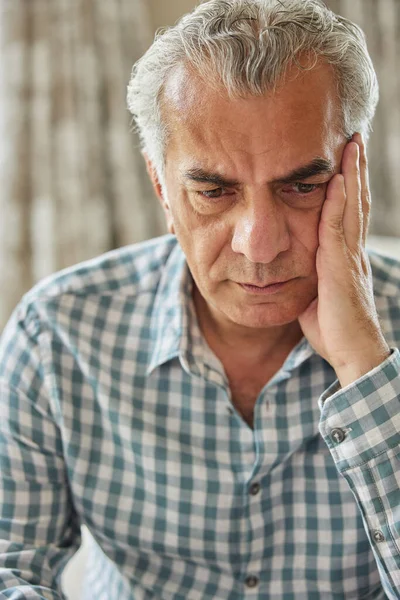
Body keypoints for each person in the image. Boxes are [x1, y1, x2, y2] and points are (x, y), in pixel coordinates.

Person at [1, 0, 399, 597]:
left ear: (355, 177)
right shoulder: (58, 331)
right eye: (214, 192)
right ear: (162, 187)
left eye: (302, 187)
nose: (258, 245)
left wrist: (366, 368)